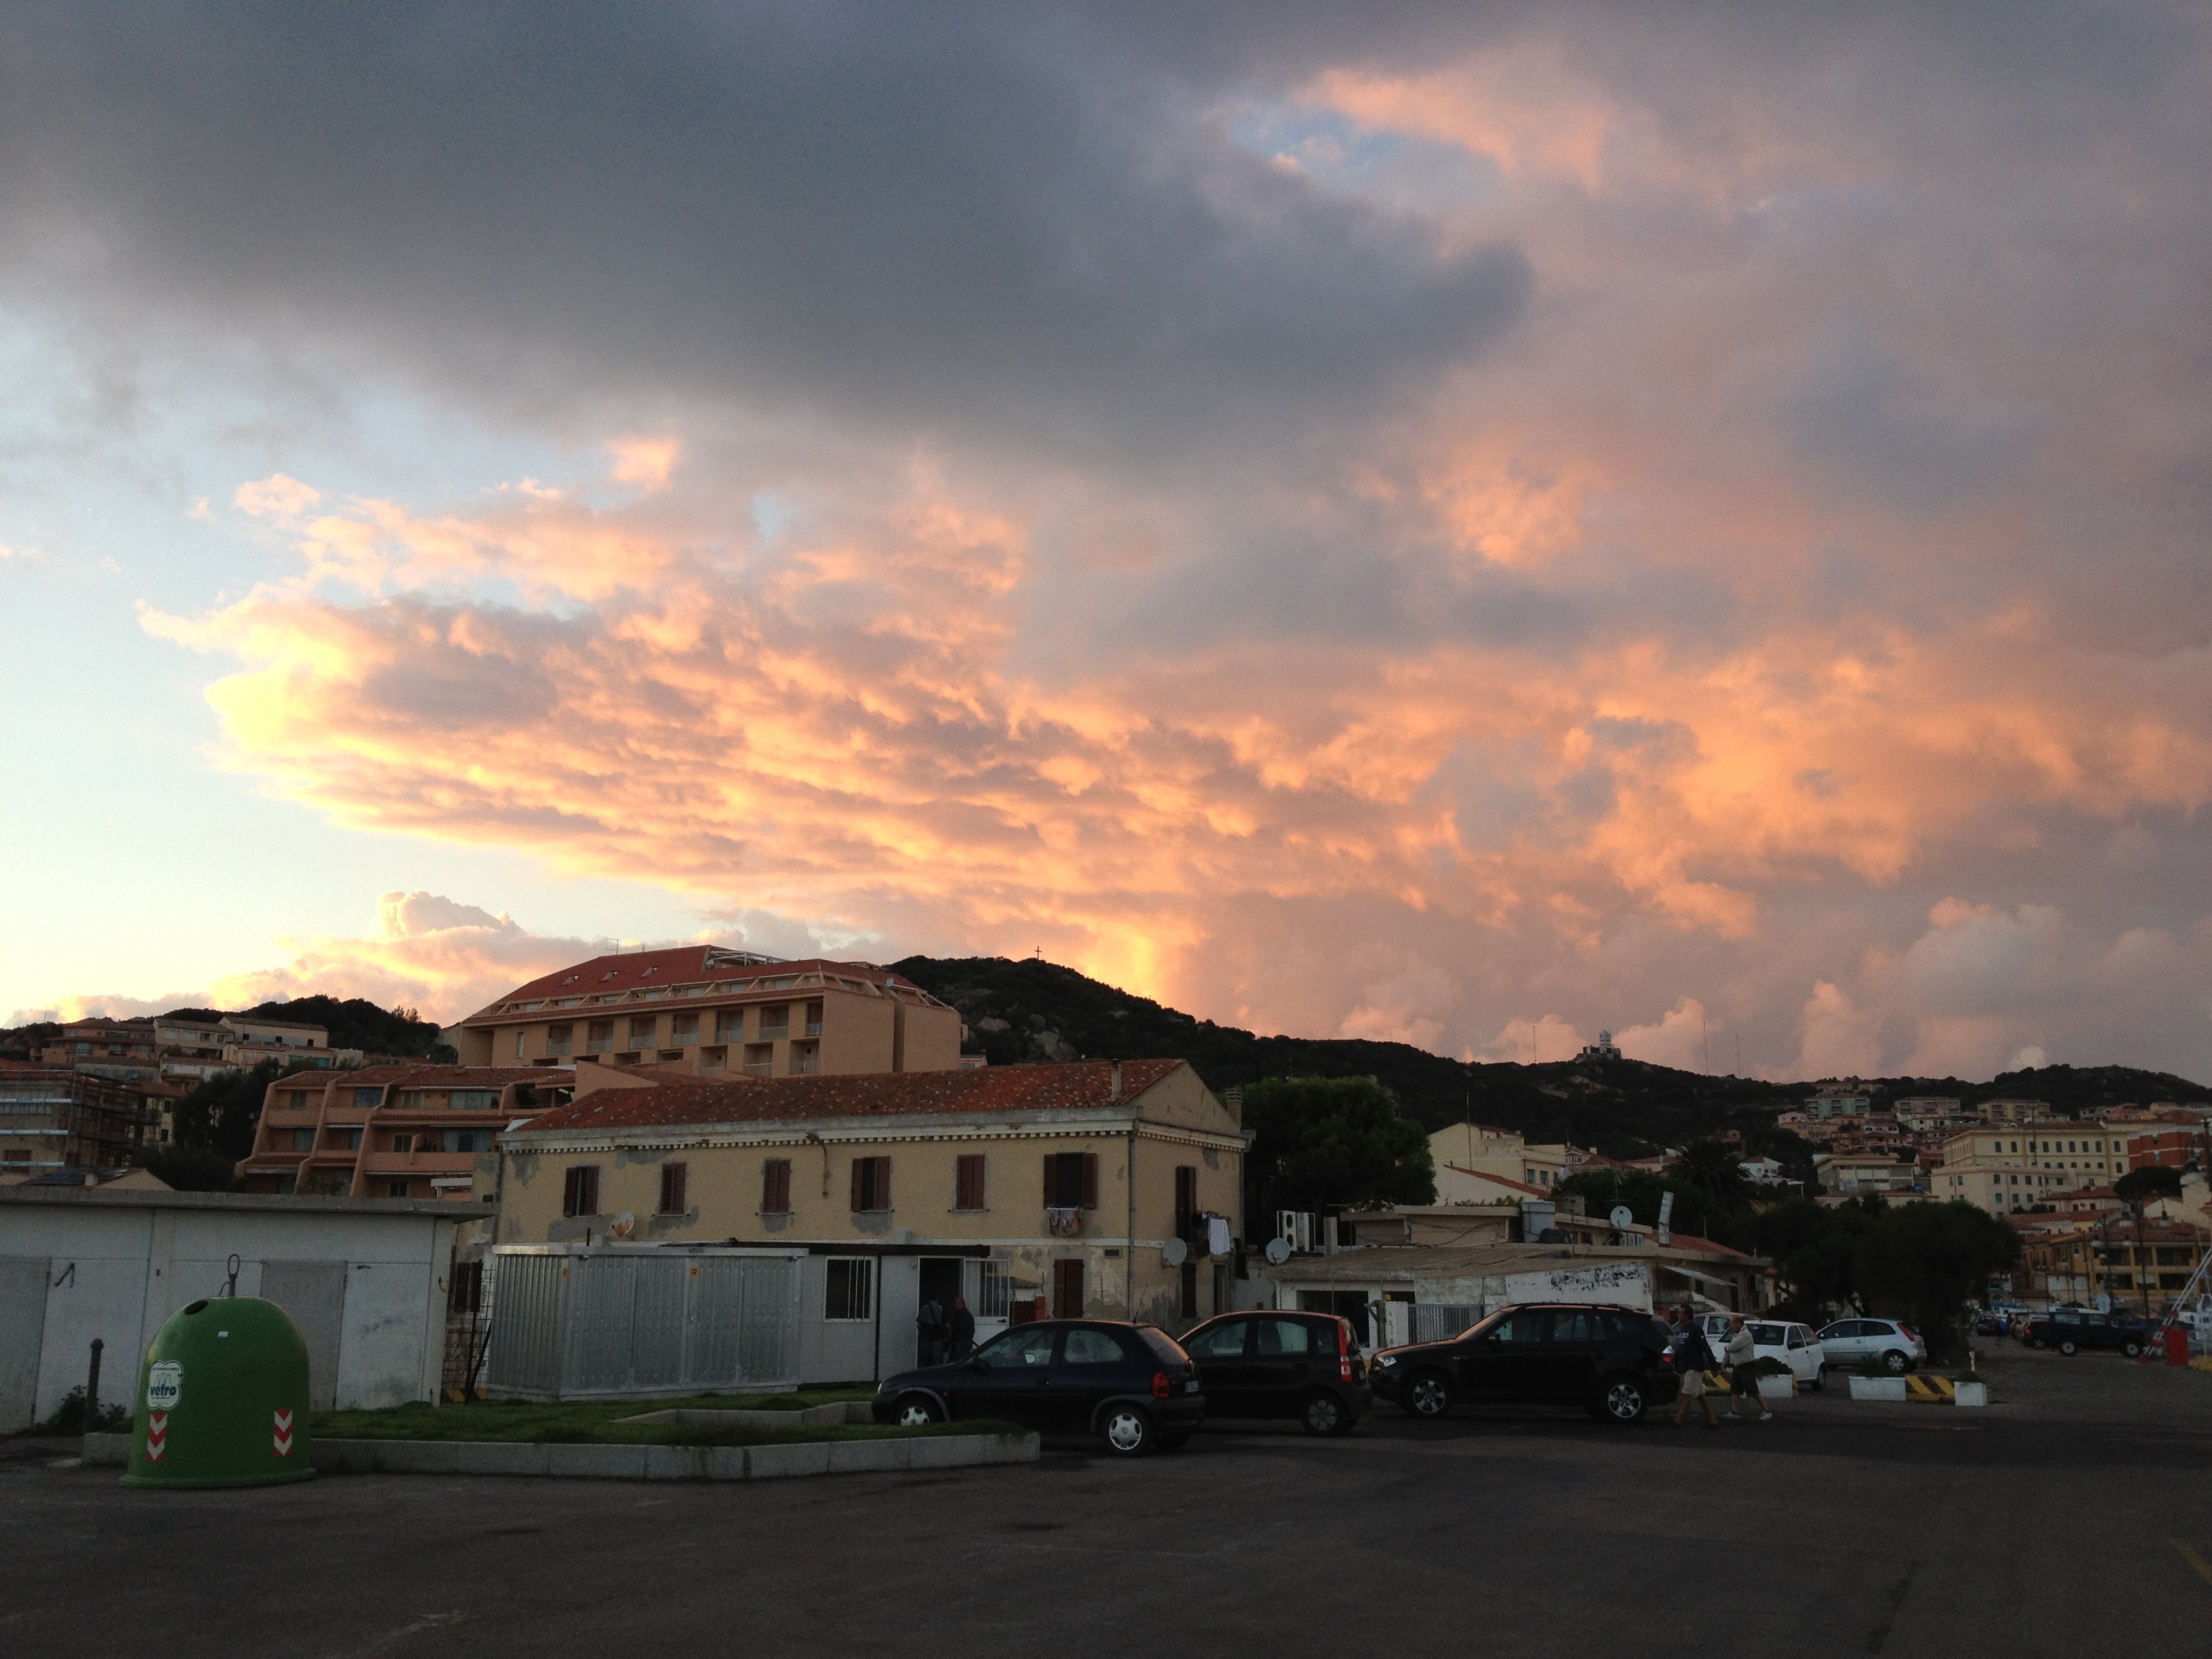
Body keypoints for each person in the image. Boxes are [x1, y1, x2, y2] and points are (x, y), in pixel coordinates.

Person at [1669, 1307, 1721, 1430]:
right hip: (1686, 1367)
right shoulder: (1683, 1329)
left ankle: (1678, 1421)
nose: (1678, 1315)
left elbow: (1705, 1348)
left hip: (1695, 1367)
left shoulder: (1695, 1330)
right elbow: (1681, 1349)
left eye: (1680, 1313)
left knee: (1687, 1395)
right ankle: (1713, 1421)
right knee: (1701, 1396)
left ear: (1687, 1316)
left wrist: (1714, 1366)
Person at [1724, 1313, 1772, 1422]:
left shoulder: (1745, 1335)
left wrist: (1726, 1347)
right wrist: (1725, 1362)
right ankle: (1734, 1412)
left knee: (1753, 1390)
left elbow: (1733, 1347)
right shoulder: (1736, 1335)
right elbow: (1730, 1350)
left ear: (1738, 1324)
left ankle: (1767, 1411)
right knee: (1735, 1390)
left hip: (1746, 1366)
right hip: (1737, 1366)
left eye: (1732, 1324)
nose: (1731, 1327)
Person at [916, 1294, 947, 1367]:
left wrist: (921, 1336)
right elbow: (946, 1324)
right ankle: (936, 1377)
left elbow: (919, 1325)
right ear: (937, 1299)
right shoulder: (940, 1309)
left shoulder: (924, 1309)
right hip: (937, 1339)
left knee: (923, 1361)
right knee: (936, 1362)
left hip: (926, 1338)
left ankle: (921, 1376)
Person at [948, 1295, 977, 1361]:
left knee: (961, 1361)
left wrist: (951, 1328)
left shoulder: (962, 1315)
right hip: (966, 1340)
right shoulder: (965, 1314)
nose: (957, 1305)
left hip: (962, 1341)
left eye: (959, 1303)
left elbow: (960, 1327)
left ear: (963, 1304)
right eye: (956, 1303)